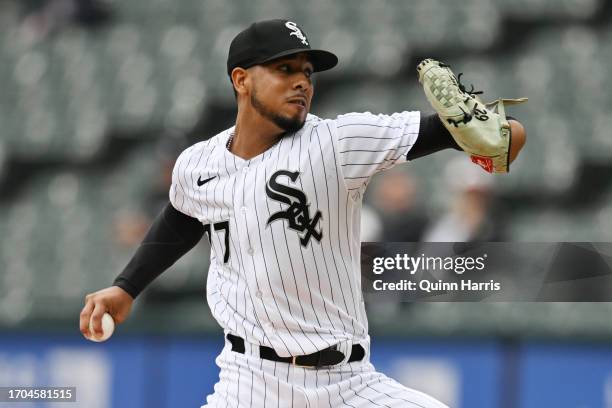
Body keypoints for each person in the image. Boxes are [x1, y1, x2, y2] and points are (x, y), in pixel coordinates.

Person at [80, 19, 526, 407]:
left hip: (348, 384)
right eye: (284, 69)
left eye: (307, 73)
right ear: (241, 79)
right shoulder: (198, 164)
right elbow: (179, 219)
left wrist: (496, 133)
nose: (302, 82)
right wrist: (126, 287)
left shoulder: (337, 143)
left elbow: (496, 134)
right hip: (249, 383)